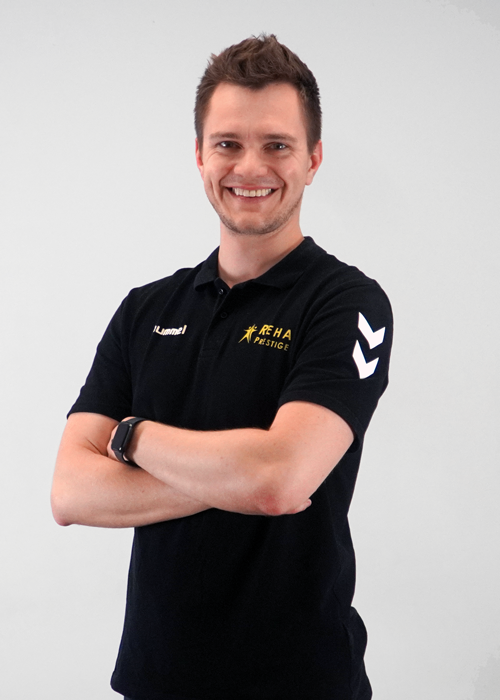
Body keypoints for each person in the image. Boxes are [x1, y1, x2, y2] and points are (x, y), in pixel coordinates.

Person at [51, 34, 393, 700]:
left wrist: (130, 438)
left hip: (300, 683)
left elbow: (280, 481)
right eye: (228, 143)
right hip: (156, 680)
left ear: (314, 159)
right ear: (200, 156)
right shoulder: (146, 309)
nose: (250, 166)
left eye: (278, 145)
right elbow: (70, 491)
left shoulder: (347, 304)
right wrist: (247, 473)